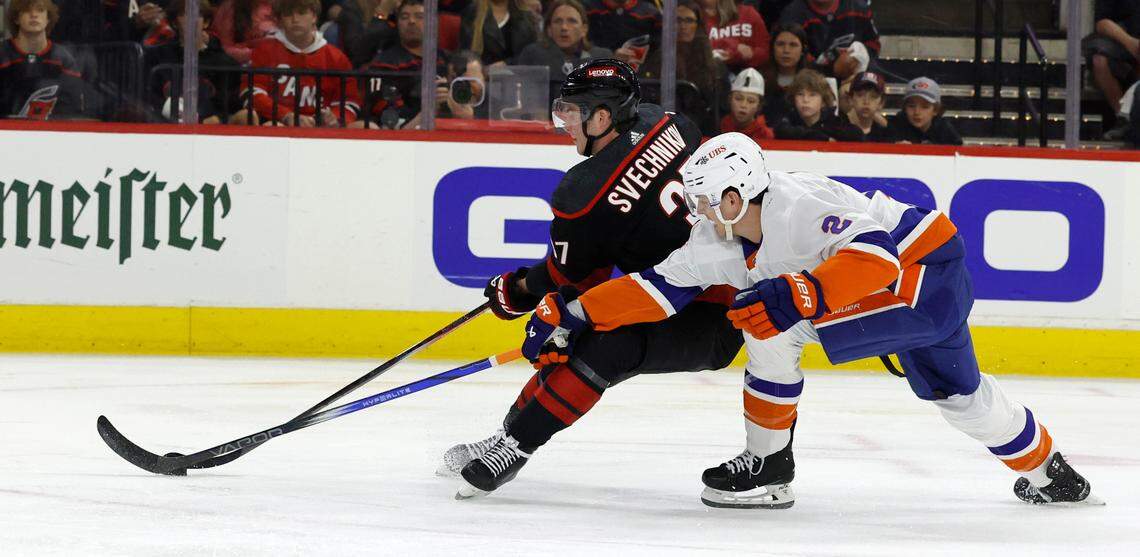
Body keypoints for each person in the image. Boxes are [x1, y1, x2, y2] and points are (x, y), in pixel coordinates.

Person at [517, 131, 1100, 508]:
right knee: (959, 394)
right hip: (918, 286)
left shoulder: (798, 208)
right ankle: (1053, 473)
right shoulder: (717, 238)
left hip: (920, 279)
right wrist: (574, 311)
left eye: (703, 200)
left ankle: (769, 463)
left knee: (768, 317)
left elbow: (876, 257)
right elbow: (656, 290)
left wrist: (802, 293)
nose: (694, 212)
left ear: (736, 193)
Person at [439, 59, 745, 498]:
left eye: (571, 109)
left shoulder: (582, 195)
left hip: (712, 311)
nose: (562, 119)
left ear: (602, 117)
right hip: (728, 281)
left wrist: (518, 290)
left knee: (597, 342)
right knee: (584, 329)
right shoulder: (671, 121)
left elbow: (571, 282)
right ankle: (511, 434)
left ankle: (514, 442)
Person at [235, 0, 361, 127]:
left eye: (301, 13)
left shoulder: (336, 57)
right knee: (268, 125)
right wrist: (285, 115)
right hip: (275, 123)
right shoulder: (264, 51)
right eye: (288, 14)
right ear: (280, 20)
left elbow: (349, 101)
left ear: (314, 17)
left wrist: (335, 117)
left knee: (366, 127)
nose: (295, 19)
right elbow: (251, 93)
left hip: (323, 129)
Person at [144, 0, 243, 124]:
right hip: (164, 128)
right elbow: (149, 98)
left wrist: (216, 118)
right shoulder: (158, 57)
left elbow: (230, 105)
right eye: (185, 14)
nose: (191, 20)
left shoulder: (224, 63)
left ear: (206, 22)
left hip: (209, 131)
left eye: (197, 14)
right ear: (175, 22)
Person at [639, 0, 725, 135]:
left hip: (699, 131)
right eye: (678, 20)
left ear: (698, 25)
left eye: (689, 20)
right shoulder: (656, 58)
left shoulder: (713, 64)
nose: (683, 25)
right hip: (660, 130)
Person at [357, 0, 447, 129]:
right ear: (397, 24)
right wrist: (429, 109)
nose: (411, 21)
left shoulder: (446, 60)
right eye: (404, 17)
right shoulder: (383, 65)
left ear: (434, 23)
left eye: (419, 16)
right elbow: (393, 125)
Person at [0, 0, 85, 120]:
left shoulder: (63, 59)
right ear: (16, 18)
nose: (34, 14)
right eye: (26, 10)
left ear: (48, 18)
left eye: (40, 10)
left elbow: (73, 109)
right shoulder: (2, 54)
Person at [516, 0, 613, 100]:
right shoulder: (533, 55)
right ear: (549, 29)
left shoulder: (602, 58)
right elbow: (526, 102)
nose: (564, 27)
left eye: (572, 21)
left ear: (584, 29)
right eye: (558, 21)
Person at [778, 0, 878, 80]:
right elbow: (790, 59)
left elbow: (873, 44)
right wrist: (832, 69)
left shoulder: (859, 8)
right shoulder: (792, 14)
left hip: (857, 80)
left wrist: (859, 59)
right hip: (811, 83)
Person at [1085, 1, 1140, 138]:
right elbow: (1102, 23)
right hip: (1124, 41)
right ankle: (1123, 118)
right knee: (1099, 60)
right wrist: (1131, 43)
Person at [774, 68, 861, 141]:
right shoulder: (787, 122)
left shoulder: (834, 124)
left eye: (812, 95)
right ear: (793, 99)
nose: (805, 100)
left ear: (823, 101)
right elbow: (781, 130)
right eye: (800, 94)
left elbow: (857, 135)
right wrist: (818, 137)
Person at [460, 0, 539, 67]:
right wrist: (477, 68)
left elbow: (532, 54)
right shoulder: (473, 12)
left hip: (518, 77)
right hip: (482, 78)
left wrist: (507, 64)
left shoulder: (527, 18)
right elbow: (466, 51)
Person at [888, 77, 962, 146]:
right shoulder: (896, 126)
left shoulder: (945, 131)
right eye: (911, 106)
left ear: (935, 110)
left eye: (925, 107)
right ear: (904, 108)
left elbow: (958, 153)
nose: (917, 112)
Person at [699, 0, 769, 73]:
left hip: (748, 75)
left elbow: (765, 54)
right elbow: (697, 50)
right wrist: (735, 48)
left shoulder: (748, 13)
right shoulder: (693, 17)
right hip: (707, 75)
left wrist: (751, 54)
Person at [760, 22, 807, 125]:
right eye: (780, 44)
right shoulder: (760, 81)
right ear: (772, 48)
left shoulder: (812, 82)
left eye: (793, 45)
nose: (786, 50)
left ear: (803, 49)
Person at [582, 0, 661, 55]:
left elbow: (660, 45)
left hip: (640, 70)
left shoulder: (651, 13)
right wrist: (609, 55)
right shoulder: (588, 9)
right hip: (597, 67)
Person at [211, 0, 279, 64]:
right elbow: (225, 48)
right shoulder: (231, 8)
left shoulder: (275, 6)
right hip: (234, 66)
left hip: (270, 63)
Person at [720, 67, 773, 141]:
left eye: (751, 101)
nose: (743, 105)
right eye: (738, 98)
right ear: (730, 99)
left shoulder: (765, 135)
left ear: (759, 106)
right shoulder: (718, 128)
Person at [843, 70, 890, 142]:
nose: (866, 102)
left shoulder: (885, 135)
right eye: (860, 95)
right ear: (850, 99)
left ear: (881, 103)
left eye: (873, 96)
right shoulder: (837, 130)